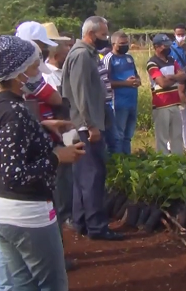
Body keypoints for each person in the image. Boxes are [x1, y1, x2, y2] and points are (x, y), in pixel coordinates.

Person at [0, 35, 85, 290]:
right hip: (27, 214)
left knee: (19, 284)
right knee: (52, 285)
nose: (38, 74)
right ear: (18, 73)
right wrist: (57, 157)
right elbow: (13, 173)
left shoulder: (9, 109)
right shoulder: (15, 112)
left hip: (5, 213)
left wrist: (41, 125)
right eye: (34, 67)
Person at [62, 15, 124, 241]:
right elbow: (82, 96)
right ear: (91, 34)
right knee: (93, 176)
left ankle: (81, 222)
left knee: (83, 176)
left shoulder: (86, 55)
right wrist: (91, 126)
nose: (105, 38)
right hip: (86, 127)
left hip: (84, 125)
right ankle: (97, 227)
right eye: (103, 34)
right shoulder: (81, 56)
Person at [146, 34, 186, 155]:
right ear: (156, 47)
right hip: (161, 104)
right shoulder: (152, 63)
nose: (168, 48)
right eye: (165, 46)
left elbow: (184, 75)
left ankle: (178, 161)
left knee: (177, 136)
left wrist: (172, 77)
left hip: (175, 102)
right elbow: (162, 83)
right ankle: (162, 163)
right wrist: (176, 77)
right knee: (162, 138)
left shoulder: (171, 60)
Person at [103, 31, 141, 155]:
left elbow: (136, 75)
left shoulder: (129, 58)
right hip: (118, 102)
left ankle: (127, 160)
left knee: (128, 136)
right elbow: (105, 82)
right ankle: (118, 162)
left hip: (132, 101)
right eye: (122, 43)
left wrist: (137, 81)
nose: (125, 45)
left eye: (126, 43)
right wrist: (126, 83)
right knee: (118, 135)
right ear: (114, 44)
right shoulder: (109, 59)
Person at [170, 23, 186, 152]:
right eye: (178, 35)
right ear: (174, 34)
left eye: (183, 34)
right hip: (174, 83)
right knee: (173, 115)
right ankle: (170, 145)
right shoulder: (170, 48)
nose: (181, 37)